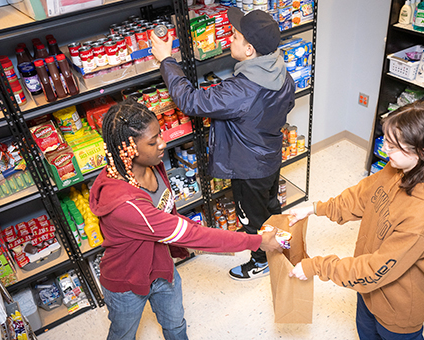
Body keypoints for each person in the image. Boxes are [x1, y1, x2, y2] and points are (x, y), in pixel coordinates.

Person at [89, 99, 282, 340]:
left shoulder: (153, 167)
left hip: (161, 267)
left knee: (176, 325)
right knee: (123, 335)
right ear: (128, 149)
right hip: (127, 281)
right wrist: (255, 241)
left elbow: (173, 218)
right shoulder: (126, 204)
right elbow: (189, 234)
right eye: (153, 141)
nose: (163, 143)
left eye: (160, 134)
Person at [287, 101, 424, 339]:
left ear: (422, 152)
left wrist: (316, 266)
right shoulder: (400, 168)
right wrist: (314, 208)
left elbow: (375, 269)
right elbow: (361, 196)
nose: (385, 149)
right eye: (386, 141)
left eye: (394, 146)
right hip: (367, 289)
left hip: (397, 311)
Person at [150, 8, 296, 281]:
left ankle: (261, 260)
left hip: (248, 168)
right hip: (270, 157)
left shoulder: (240, 90)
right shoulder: (281, 71)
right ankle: (281, 247)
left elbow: (191, 101)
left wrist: (166, 60)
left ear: (250, 49)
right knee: (271, 207)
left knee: (251, 219)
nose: (229, 39)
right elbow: (287, 103)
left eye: (235, 36)